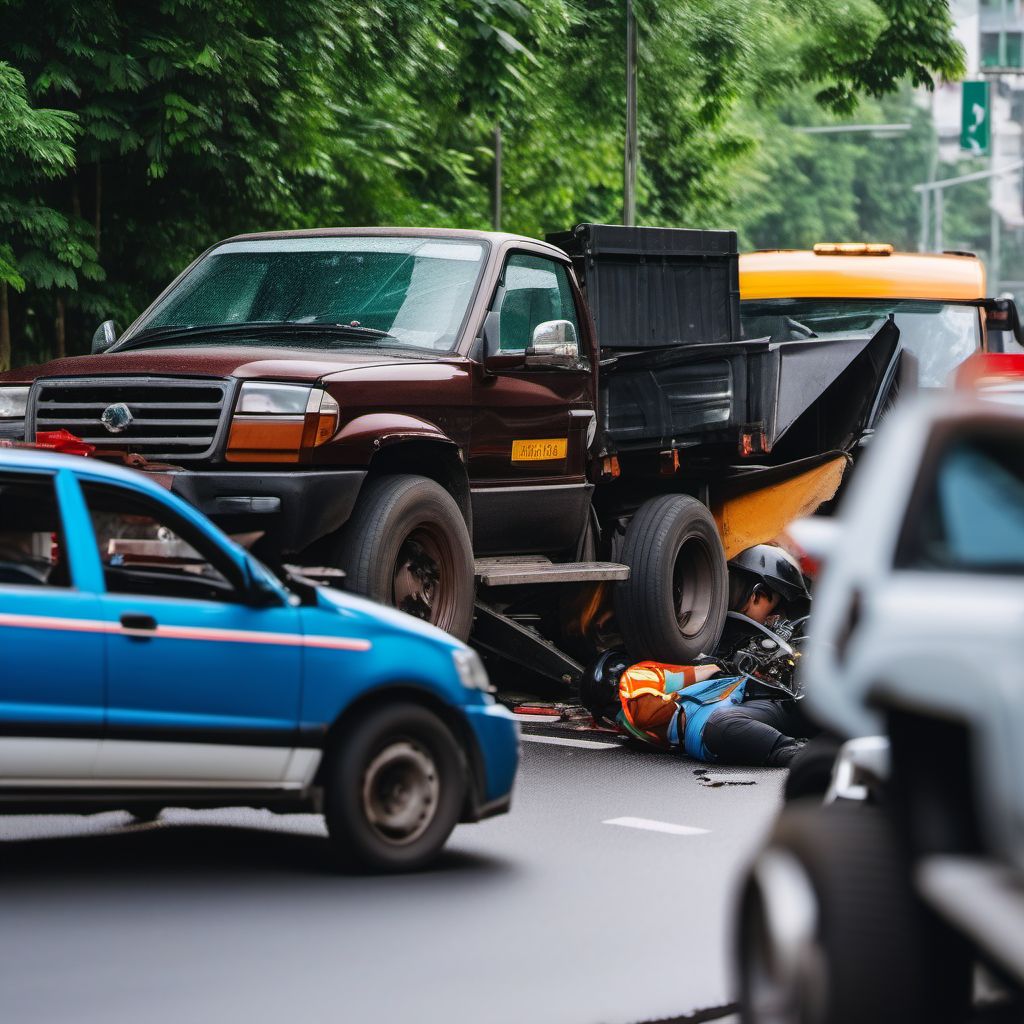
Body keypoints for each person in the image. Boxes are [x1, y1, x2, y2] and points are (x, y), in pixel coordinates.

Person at [582, 544, 816, 767]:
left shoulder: (690, 649)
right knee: (721, 726)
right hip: (753, 710)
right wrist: (713, 669)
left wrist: (713, 669)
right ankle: (807, 755)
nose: (776, 618)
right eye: (775, 609)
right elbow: (648, 704)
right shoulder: (651, 703)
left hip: (771, 696)